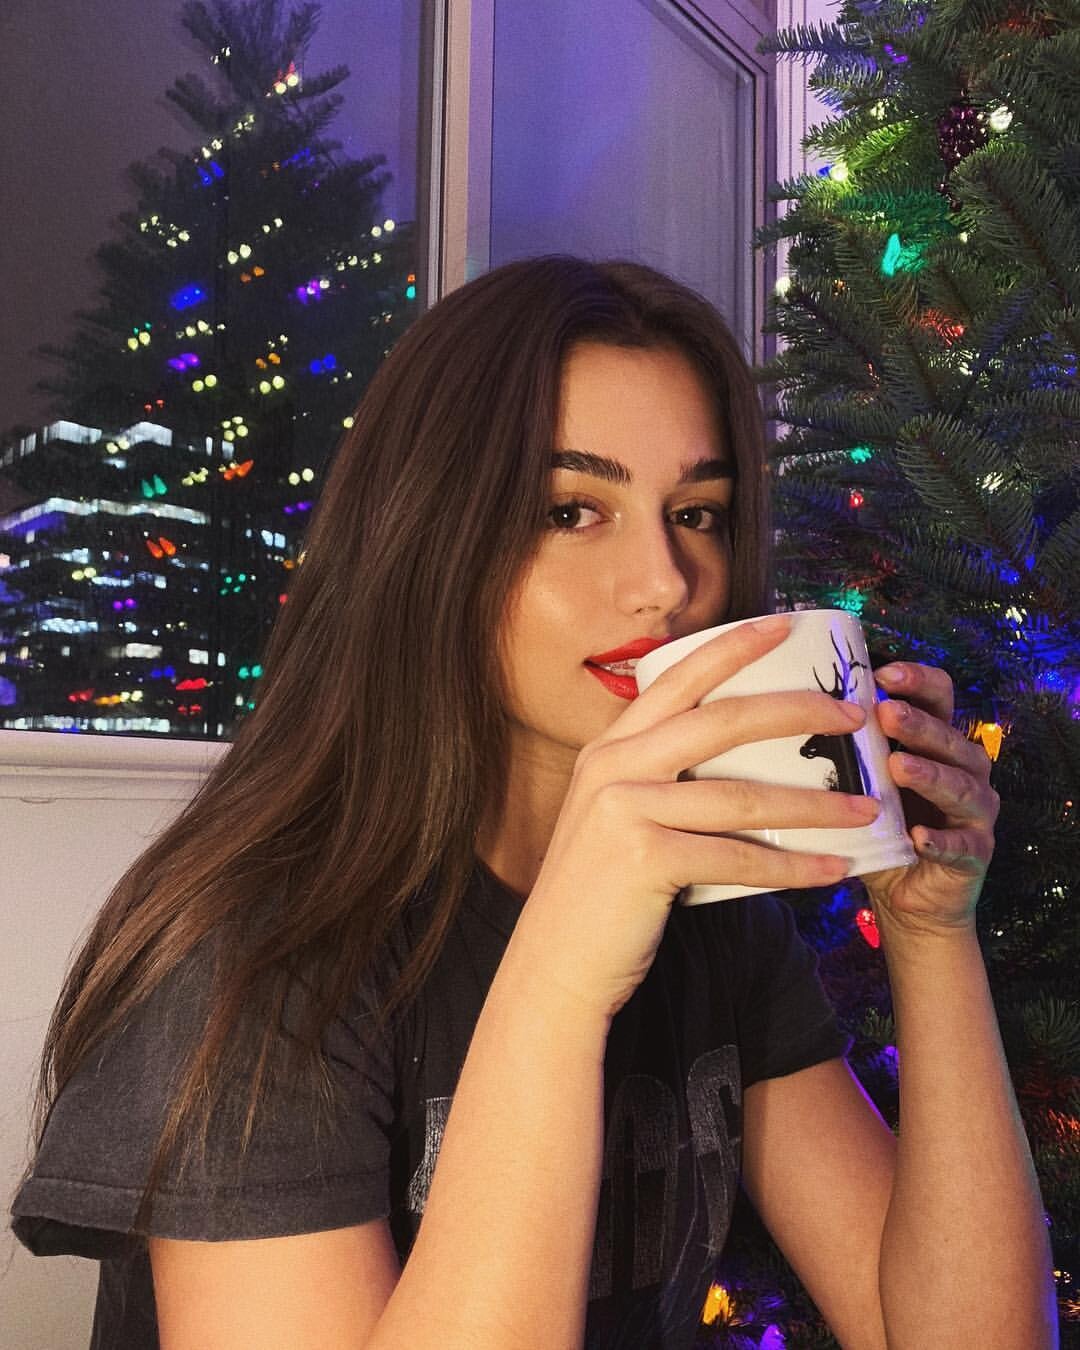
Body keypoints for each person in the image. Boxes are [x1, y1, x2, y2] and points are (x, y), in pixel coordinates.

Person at [10, 256, 1056, 1349]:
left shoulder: (713, 916)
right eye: (571, 509)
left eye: (697, 512)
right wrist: (559, 978)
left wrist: (932, 935)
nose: (665, 582)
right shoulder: (256, 964)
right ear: (427, 534)